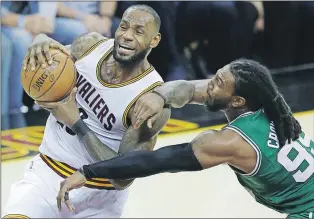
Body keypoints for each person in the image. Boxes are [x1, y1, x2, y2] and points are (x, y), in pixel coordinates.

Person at [52, 59, 313, 218]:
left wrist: (88, 171)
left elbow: (155, 161)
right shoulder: (268, 105)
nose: (210, 83)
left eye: (219, 82)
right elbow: (188, 89)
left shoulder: (230, 143)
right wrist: (160, 96)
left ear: (237, 101)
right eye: (216, 75)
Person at [3, 4, 171, 218]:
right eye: (124, 27)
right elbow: (49, 67)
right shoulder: (89, 46)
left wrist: (76, 122)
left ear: (154, 40)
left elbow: (123, 177)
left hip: (100, 196)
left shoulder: (150, 100)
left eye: (138, 32)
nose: (127, 36)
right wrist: (41, 41)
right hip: (47, 174)